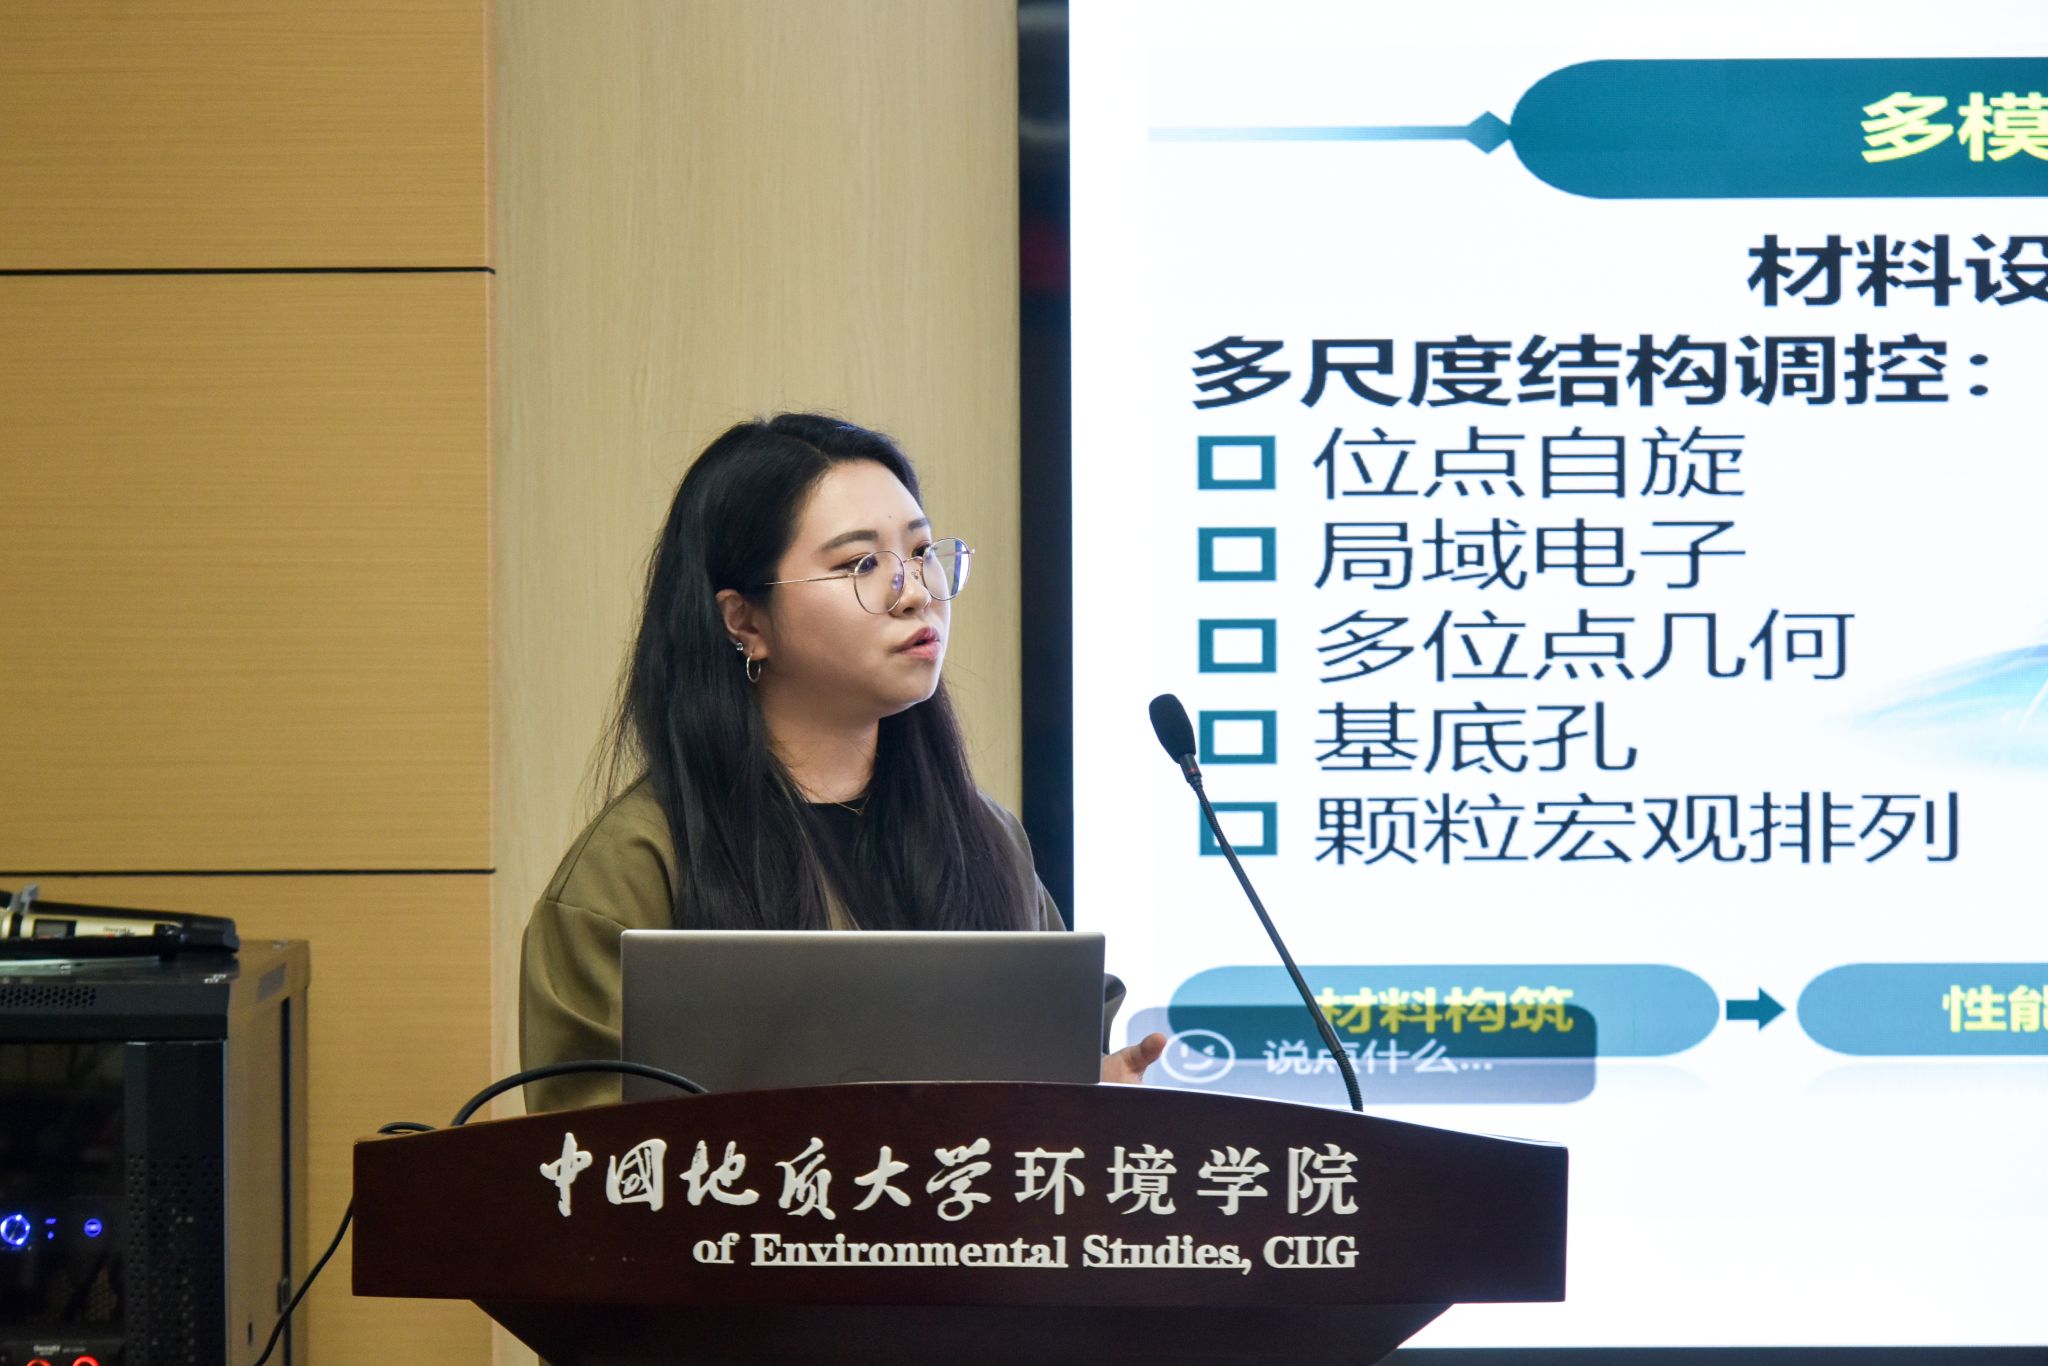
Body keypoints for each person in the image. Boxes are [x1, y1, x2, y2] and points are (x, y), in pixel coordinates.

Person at [519, 413, 1165, 1111]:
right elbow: (586, 1153)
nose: (915, 592)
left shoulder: (985, 837)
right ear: (746, 621)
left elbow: (1058, 1064)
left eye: (920, 552)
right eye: (861, 564)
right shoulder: (638, 862)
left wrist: (1095, 1093)